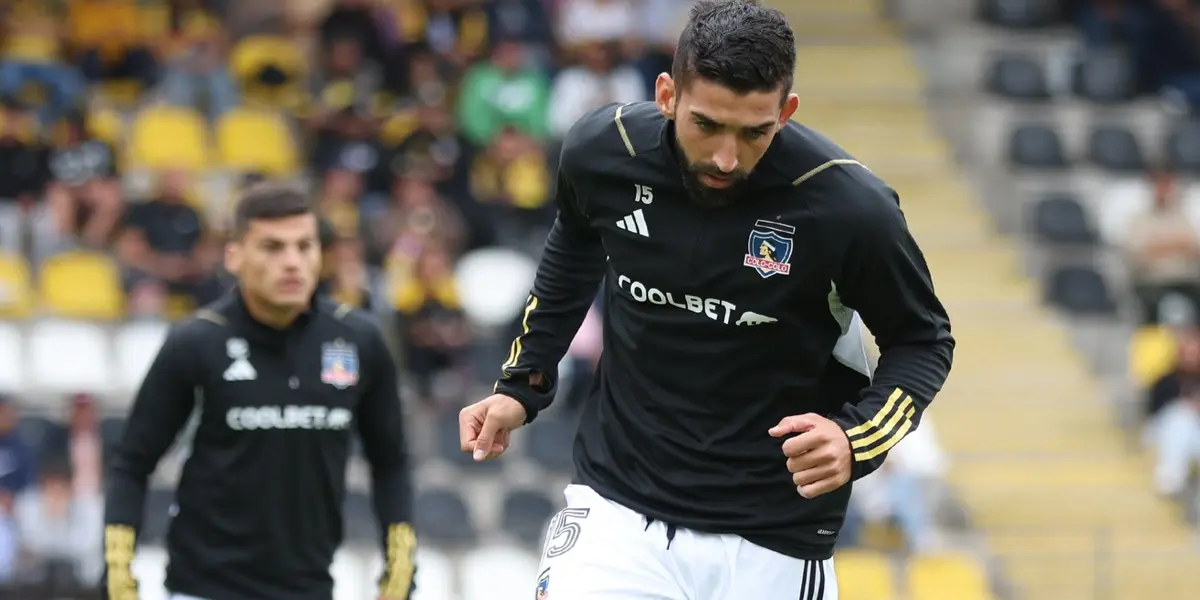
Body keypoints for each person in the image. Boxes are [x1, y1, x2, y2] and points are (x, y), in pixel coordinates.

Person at [457, 1, 954, 599]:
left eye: (754, 132)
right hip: (617, 512)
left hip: (772, 539)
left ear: (786, 111)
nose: (726, 157)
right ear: (667, 94)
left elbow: (923, 340)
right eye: (707, 125)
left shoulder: (849, 209)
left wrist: (855, 439)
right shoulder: (604, 152)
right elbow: (574, 247)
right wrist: (522, 383)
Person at [103, 182, 416, 600]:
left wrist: (399, 574)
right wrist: (119, 577)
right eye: (273, 247)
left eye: (304, 246)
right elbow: (131, 463)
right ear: (235, 256)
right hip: (203, 590)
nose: (293, 262)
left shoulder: (360, 340)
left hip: (310, 590)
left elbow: (391, 463)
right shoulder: (196, 342)